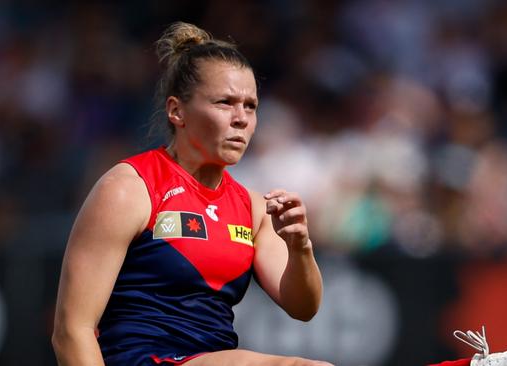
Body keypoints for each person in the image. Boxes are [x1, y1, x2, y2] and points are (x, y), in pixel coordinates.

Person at [51, 21, 332, 366]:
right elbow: (71, 330)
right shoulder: (129, 189)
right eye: (225, 102)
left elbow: (303, 307)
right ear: (177, 111)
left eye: (251, 106)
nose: (241, 118)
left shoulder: (254, 208)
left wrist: (300, 246)